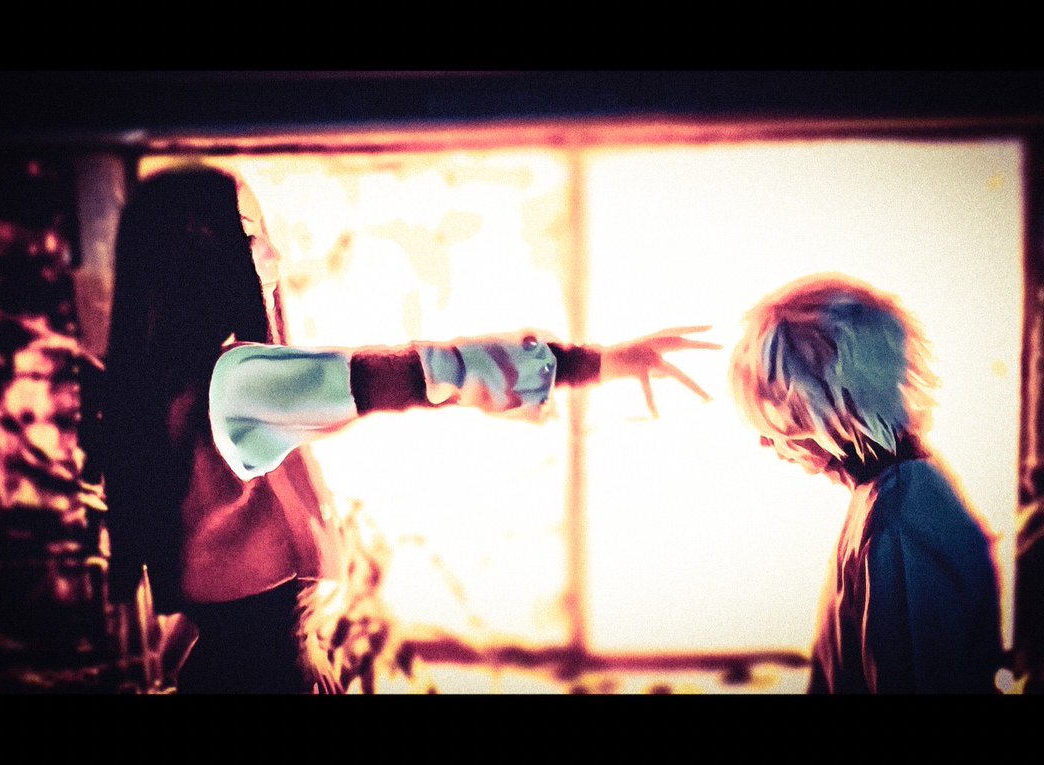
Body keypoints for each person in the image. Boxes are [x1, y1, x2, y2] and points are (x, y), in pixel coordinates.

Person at [102, 164, 719, 694]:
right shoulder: (237, 383)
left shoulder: (194, 388)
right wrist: (593, 364)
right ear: (203, 255)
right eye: (253, 235)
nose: (275, 256)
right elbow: (420, 374)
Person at [726, 273, 1003, 694]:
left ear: (822, 398)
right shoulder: (893, 501)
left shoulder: (899, 526)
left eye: (775, 411)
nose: (766, 441)